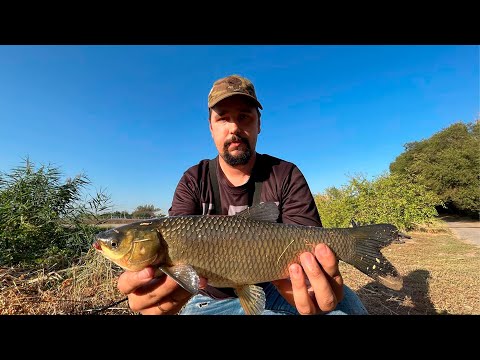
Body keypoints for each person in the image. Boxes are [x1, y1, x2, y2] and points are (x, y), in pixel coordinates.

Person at [117, 74, 368, 315]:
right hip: (210, 299)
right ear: (211, 127)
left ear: (259, 124)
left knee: (347, 309)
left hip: (278, 287)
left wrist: (309, 287)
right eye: (223, 118)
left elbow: (307, 249)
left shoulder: (286, 174)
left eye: (244, 117)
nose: (234, 128)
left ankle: (354, 244)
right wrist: (161, 291)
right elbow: (184, 280)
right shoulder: (194, 179)